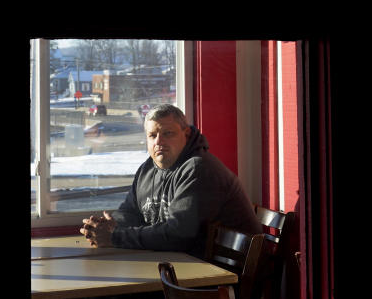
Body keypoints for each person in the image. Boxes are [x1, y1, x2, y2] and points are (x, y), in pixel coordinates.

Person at [80, 104, 261, 257]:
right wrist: (110, 225)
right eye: (152, 135)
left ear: (187, 134)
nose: (159, 141)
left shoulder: (198, 169)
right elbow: (131, 211)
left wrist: (115, 238)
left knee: (109, 295)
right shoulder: (148, 168)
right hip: (181, 265)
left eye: (168, 133)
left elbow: (179, 235)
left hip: (222, 279)